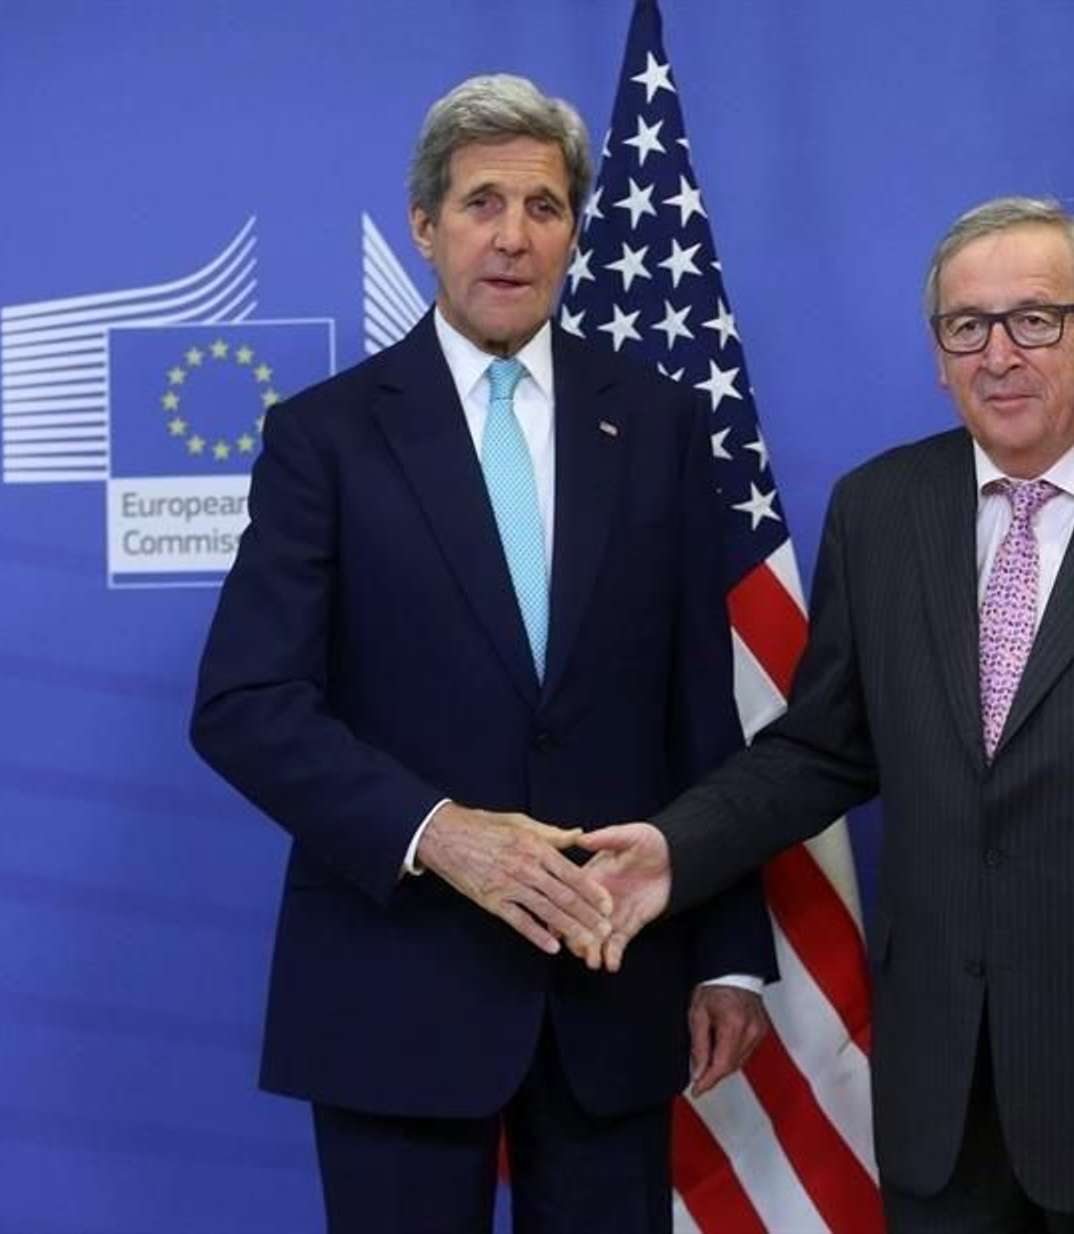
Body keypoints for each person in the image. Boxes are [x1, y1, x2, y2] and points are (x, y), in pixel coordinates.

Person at [578, 197, 1074, 1233]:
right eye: (967, 326)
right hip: (944, 1097)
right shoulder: (879, 511)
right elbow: (822, 749)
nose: (999, 355)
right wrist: (676, 846)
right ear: (938, 353)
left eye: (1034, 319)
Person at [190, 74, 773, 1234]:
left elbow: (699, 711)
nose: (512, 236)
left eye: (543, 206)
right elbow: (247, 702)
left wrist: (727, 955)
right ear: (425, 225)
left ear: (574, 231)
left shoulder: (656, 422)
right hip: (395, 982)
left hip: (611, 984)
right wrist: (438, 832)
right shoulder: (323, 436)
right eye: (481, 203)